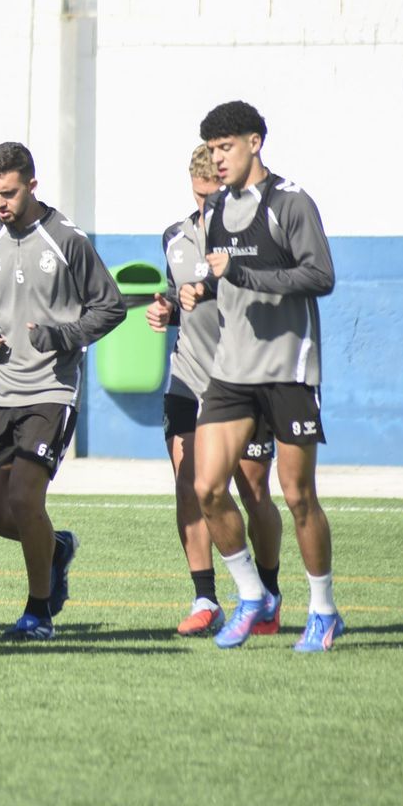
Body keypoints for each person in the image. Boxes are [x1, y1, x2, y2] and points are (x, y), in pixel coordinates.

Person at [179, 101, 343, 652]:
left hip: (287, 371)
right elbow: (219, 278)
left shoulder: (291, 203)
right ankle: (253, 596)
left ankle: (322, 608)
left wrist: (242, 272)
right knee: (206, 487)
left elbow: (320, 275)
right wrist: (192, 293)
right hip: (232, 372)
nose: (218, 158)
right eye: (213, 149)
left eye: (226, 147)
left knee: (298, 496)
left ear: (255, 142)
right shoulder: (217, 208)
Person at [0, 142, 124, 641]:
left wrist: (61, 336)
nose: (0, 204)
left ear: (32, 184)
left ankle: (38, 613)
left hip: (50, 390)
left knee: (24, 497)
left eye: (8, 193)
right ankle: (55, 549)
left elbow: (110, 306)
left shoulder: (67, 240)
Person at [146, 144, 284, 636]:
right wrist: (166, 309)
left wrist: (218, 287)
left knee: (252, 490)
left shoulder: (255, 234)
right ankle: (205, 598)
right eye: (198, 198)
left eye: (214, 198)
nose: (206, 209)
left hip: (245, 379)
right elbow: (176, 291)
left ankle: (268, 594)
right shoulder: (175, 236)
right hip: (188, 375)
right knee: (190, 486)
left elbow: (274, 295)